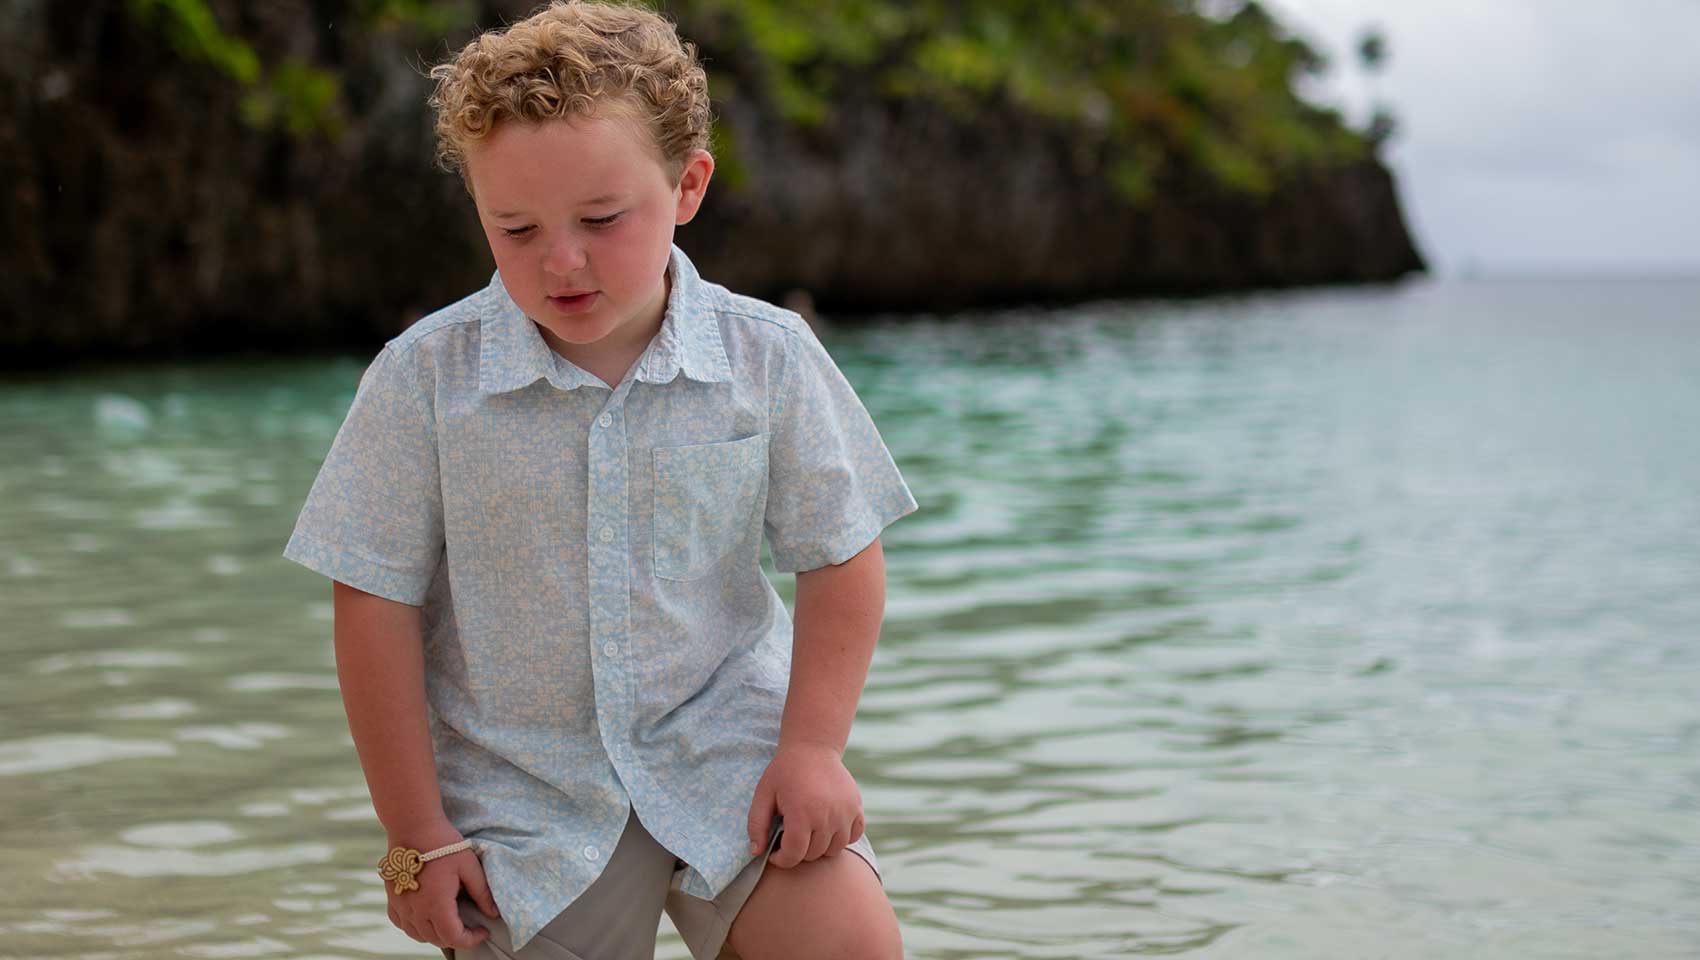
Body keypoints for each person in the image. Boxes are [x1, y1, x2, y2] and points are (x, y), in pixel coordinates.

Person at [280, 2, 918, 958]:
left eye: (602, 219)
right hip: (520, 789)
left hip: (731, 756)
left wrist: (813, 750)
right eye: (516, 227)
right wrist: (416, 837)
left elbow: (841, 554)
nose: (561, 260)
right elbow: (372, 603)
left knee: (848, 945)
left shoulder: (768, 357)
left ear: (688, 185)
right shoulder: (424, 378)